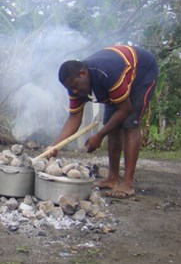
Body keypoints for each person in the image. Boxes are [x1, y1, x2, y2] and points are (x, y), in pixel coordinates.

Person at [49, 45, 158, 199]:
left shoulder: (106, 74)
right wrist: (55, 146)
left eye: (74, 87)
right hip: (117, 79)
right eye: (70, 88)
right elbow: (74, 118)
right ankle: (112, 178)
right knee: (112, 125)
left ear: (82, 74)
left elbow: (125, 109)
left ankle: (127, 183)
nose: (73, 92)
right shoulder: (74, 85)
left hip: (142, 71)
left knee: (130, 124)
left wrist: (99, 135)